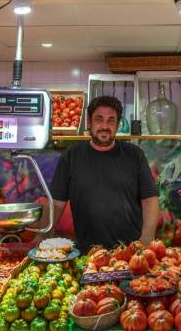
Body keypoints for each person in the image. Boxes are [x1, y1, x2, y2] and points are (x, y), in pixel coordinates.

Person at [42, 95, 160, 253]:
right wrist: (41, 238)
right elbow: (56, 203)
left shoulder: (134, 155)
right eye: (99, 119)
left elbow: (150, 200)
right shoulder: (71, 156)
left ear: (117, 125)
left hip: (130, 254)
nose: (105, 126)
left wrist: (146, 240)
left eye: (111, 120)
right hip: (86, 253)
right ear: (89, 122)